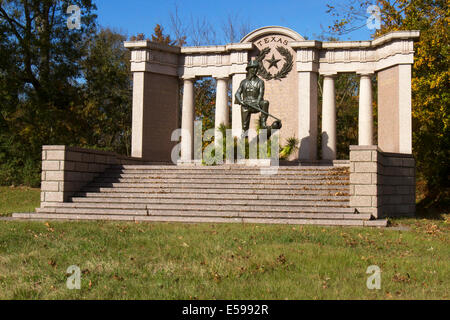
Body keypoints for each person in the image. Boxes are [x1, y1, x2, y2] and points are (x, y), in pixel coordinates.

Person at [234, 60, 270, 133]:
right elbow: (237, 93)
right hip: (246, 105)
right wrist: (241, 101)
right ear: (249, 69)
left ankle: (263, 123)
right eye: (253, 68)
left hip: (256, 103)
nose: (255, 70)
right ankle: (244, 138)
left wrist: (258, 102)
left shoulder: (260, 82)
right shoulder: (243, 82)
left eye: (256, 68)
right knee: (244, 126)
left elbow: (261, 93)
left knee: (265, 103)